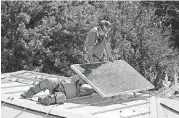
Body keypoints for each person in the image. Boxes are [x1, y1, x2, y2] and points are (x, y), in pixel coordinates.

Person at [20, 75, 95, 105]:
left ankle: (45, 99)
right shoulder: (76, 78)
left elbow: (89, 91)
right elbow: (80, 75)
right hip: (58, 84)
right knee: (47, 81)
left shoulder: (80, 92)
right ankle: (29, 93)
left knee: (61, 98)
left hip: (62, 94)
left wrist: (95, 90)